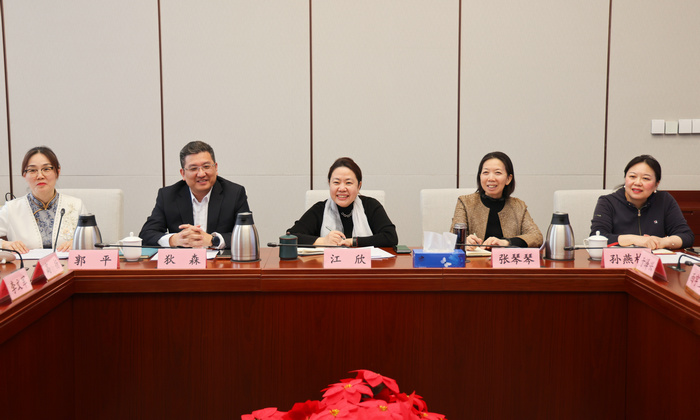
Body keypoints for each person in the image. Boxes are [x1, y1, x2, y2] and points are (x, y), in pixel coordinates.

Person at [139, 141, 250, 248]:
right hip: (183, 260)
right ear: (183, 173)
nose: (201, 174)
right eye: (193, 168)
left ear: (216, 168)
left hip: (220, 260)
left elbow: (247, 237)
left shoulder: (234, 193)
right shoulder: (168, 196)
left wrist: (213, 240)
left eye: (206, 166)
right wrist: (174, 239)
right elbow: (146, 234)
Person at [287, 157, 398, 247]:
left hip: (364, 266)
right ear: (329, 183)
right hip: (328, 267)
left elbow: (390, 237)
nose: (342, 188)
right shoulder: (320, 209)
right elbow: (290, 237)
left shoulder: (371, 206)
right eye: (336, 182)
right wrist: (324, 241)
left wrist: (351, 241)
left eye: (348, 183)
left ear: (359, 186)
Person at [590, 155, 693, 250]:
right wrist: (635, 239)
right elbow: (597, 237)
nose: (638, 183)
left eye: (645, 178)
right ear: (625, 178)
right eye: (632, 176)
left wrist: (662, 242)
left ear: (656, 184)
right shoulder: (607, 202)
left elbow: (686, 236)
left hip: (654, 261)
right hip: (620, 261)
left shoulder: (664, 200)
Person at [0, 146, 87, 253]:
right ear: (24, 175)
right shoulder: (11, 208)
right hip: (26, 263)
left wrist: (79, 243)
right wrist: (5, 244)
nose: (40, 176)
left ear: (57, 171)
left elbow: (93, 242)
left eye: (46, 169)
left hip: (67, 263)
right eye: (32, 170)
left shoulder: (76, 205)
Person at [450, 151, 543, 248]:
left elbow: (536, 237)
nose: (491, 178)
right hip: (475, 258)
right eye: (485, 172)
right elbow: (452, 236)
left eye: (497, 173)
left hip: (505, 258)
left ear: (508, 179)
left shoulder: (518, 206)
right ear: (480, 176)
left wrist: (506, 242)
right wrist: (464, 240)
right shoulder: (465, 202)